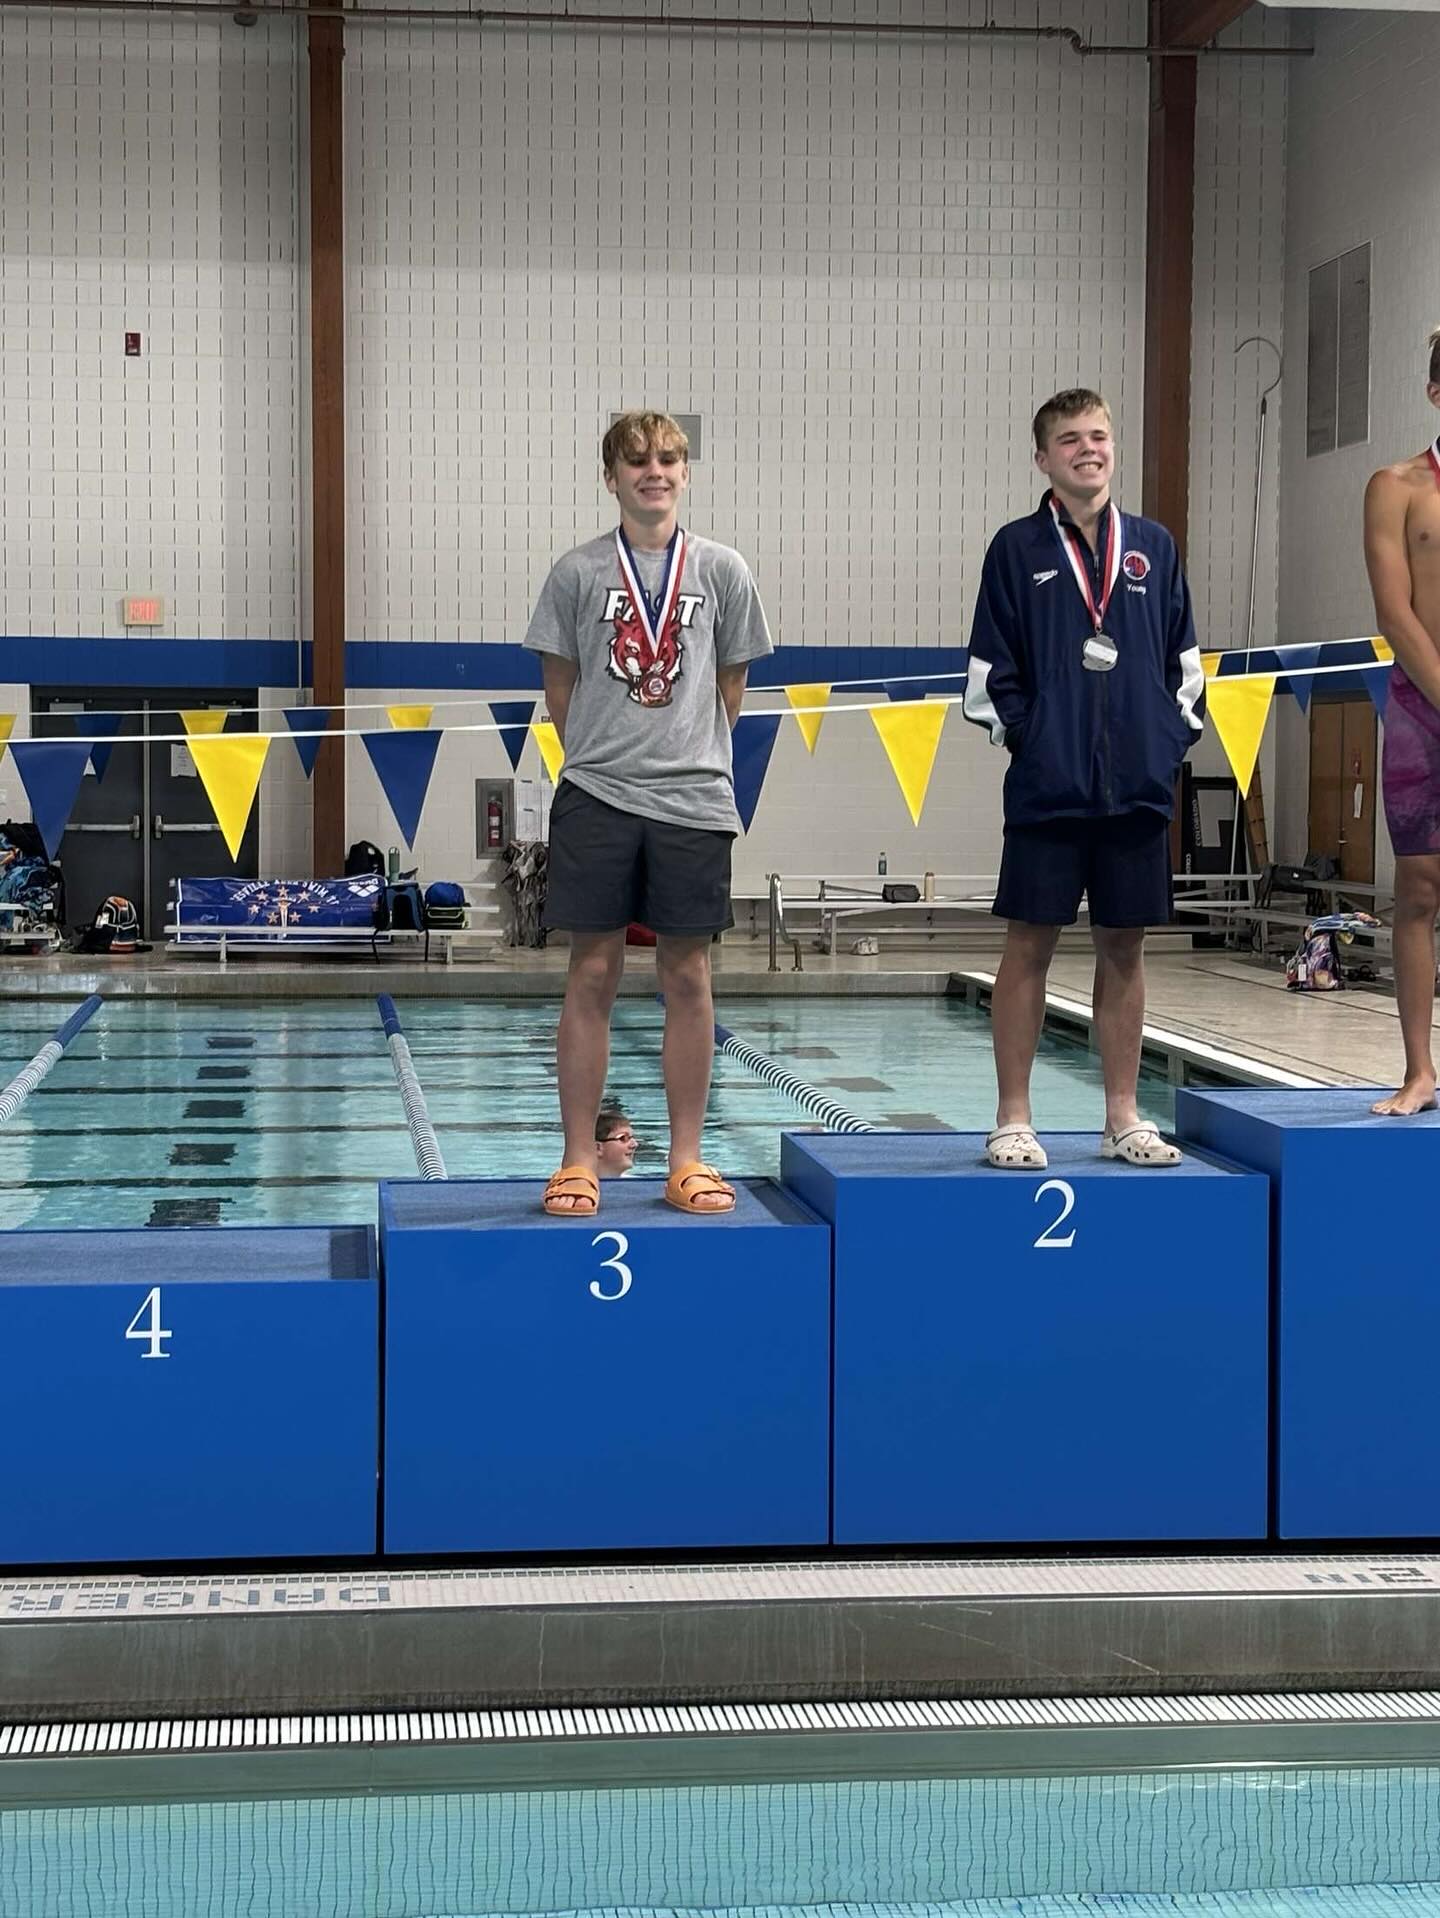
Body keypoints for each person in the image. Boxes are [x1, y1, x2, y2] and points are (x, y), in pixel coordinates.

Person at [525, 409, 773, 1216]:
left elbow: (730, 687)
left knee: (688, 975)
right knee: (591, 972)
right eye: (636, 461)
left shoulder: (724, 570)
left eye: (668, 458)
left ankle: (687, 1159)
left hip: (693, 799)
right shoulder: (576, 573)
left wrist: (684, 755)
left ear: (686, 472)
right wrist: (609, 758)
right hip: (597, 794)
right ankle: (577, 1159)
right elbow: (560, 690)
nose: (654, 471)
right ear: (611, 478)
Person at [963, 387, 1205, 1169]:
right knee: (1028, 945)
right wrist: (1036, 742)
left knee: (1125, 949)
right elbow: (988, 677)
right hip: (1049, 788)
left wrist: (1161, 746)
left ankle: (1123, 1117)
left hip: (1134, 789)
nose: (1087, 449)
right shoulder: (1016, 549)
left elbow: (1186, 669)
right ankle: (1013, 1117)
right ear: (1043, 458)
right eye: (1069, 439)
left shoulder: (1153, 548)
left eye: (1098, 435)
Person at [1363, 327, 1440, 1115]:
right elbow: (1395, 611)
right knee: (1418, 888)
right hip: (1423, 705)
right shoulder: (1396, 486)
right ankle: (1420, 1070)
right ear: (1434, 394)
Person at [595, 1103, 639, 1178]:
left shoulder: (636, 1181)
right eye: (623, 1138)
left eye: (632, 1137)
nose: (635, 1144)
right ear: (598, 1148)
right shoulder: (577, 1185)